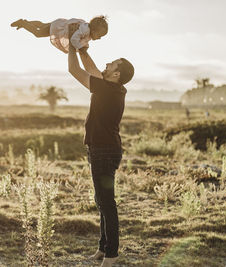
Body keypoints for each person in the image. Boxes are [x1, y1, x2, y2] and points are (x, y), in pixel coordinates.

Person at [67, 24, 134, 267]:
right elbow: (92, 69)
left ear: (116, 74)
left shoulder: (107, 90)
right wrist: (83, 48)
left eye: (112, 64)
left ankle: (112, 255)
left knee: (107, 203)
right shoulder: (113, 88)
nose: (107, 64)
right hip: (103, 149)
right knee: (102, 200)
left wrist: (71, 46)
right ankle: (103, 249)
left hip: (104, 151)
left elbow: (75, 70)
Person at [10, 16, 108, 54]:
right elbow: (74, 40)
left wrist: (85, 46)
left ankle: (27, 23)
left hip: (59, 24)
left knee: (42, 25)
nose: (99, 38)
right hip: (57, 29)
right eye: (99, 35)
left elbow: (83, 41)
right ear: (94, 30)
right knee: (38, 33)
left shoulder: (88, 30)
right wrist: (81, 48)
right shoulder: (85, 30)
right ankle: (23, 23)